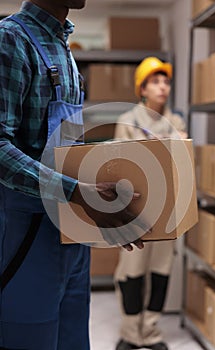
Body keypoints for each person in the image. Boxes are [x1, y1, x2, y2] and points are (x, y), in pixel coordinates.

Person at [0, 1, 146, 349]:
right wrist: (78, 192)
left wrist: (104, 198)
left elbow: (69, 152)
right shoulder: (11, 40)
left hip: (72, 234)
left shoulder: (64, 49)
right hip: (26, 240)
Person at [114, 57, 187, 350]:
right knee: (131, 273)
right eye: (155, 82)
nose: (163, 87)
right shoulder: (128, 122)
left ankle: (152, 332)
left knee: (160, 271)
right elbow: (121, 166)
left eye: (166, 81)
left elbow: (183, 164)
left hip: (168, 211)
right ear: (142, 88)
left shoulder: (177, 122)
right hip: (135, 212)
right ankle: (131, 334)